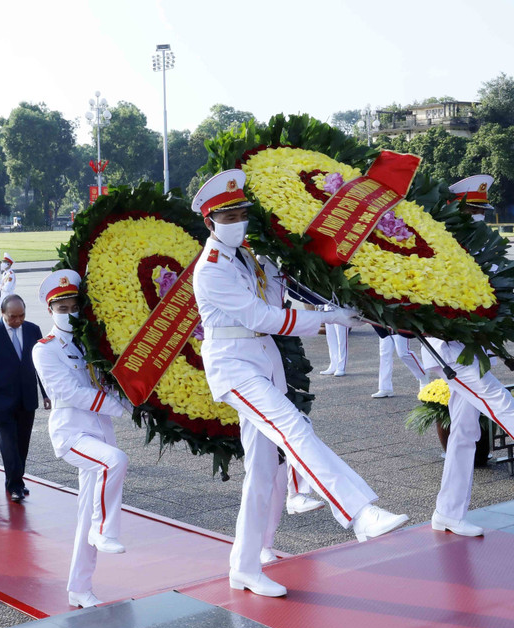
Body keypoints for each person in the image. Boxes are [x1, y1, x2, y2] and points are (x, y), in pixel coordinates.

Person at [191, 169, 408, 599]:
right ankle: (358, 512)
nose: (238, 221)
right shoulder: (211, 268)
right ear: (209, 222)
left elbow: (286, 294)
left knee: (261, 472)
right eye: (228, 215)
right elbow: (263, 318)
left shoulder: (251, 257)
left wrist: (338, 304)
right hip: (233, 366)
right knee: (294, 428)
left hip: (262, 362)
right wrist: (328, 319)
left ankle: (244, 566)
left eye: (241, 213)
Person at [32, 270, 129, 608]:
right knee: (115, 462)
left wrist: (134, 401)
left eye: (74, 305)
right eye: (61, 307)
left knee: (85, 512)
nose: (69, 312)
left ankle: (79, 588)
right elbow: (67, 391)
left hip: (100, 431)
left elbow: (111, 381)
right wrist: (120, 408)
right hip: (71, 432)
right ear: (50, 311)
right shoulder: (45, 349)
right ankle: (105, 530)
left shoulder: (92, 342)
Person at [419, 174, 507, 537]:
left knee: (466, 432)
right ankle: (449, 512)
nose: (479, 217)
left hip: (474, 347)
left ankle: (448, 512)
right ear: (454, 209)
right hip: (448, 349)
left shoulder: (482, 247)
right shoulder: (440, 247)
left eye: (482, 210)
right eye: (472, 210)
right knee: (501, 402)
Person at [0, 294, 47, 502]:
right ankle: (14, 484)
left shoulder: (33, 329)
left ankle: (18, 478)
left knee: (22, 444)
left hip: (26, 398)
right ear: (2, 313)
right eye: (13, 317)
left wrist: (46, 393)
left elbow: (42, 365)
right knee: (8, 444)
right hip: (1, 400)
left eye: (21, 315)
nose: (18, 321)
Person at [371, 328, 427, 398]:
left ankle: (423, 375)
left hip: (398, 325)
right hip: (383, 327)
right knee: (384, 355)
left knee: (403, 353)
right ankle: (385, 388)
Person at [319, 310, 348, 377]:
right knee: (331, 336)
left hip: (340, 307)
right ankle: (333, 365)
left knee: (341, 338)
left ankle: (341, 366)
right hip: (328, 305)